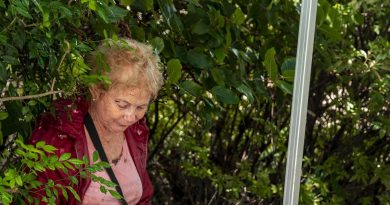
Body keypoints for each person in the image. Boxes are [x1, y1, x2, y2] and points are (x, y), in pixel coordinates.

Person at [28, 38, 164, 205]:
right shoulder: (60, 137)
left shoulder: (135, 132)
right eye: (122, 104)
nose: (130, 116)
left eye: (141, 107)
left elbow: (143, 196)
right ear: (96, 90)